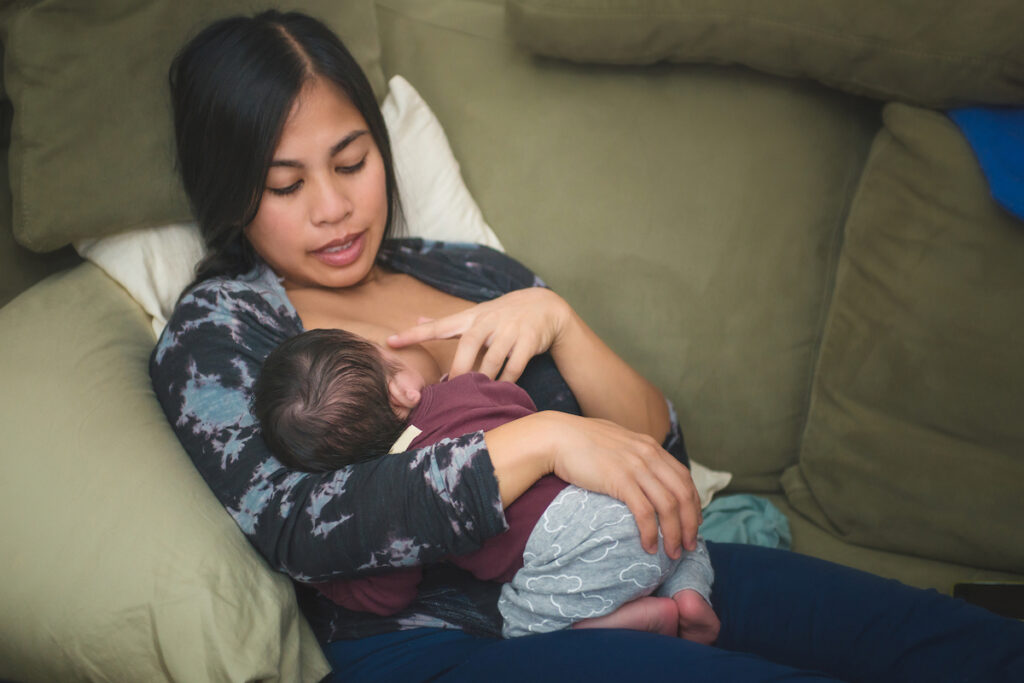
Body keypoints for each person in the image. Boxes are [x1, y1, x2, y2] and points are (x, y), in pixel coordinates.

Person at [150, 9, 1024, 682]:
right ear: (231, 193)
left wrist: (560, 319)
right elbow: (302, 526)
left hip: (649, 554)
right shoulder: (222, 329)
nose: (334, 208)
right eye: (285, 184)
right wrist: (538, 439)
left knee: (961, 646)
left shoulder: (469, 270)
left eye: (351, 161)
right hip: (455, 641)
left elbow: (653, 451)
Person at [252, 327, 719, 641]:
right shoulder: (468, 387)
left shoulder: (405, 489)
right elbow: (516, 402)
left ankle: (628, 622)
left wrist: (327, 585)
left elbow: (387, 593)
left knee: (513, 625)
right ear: (402, 389)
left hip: (575, 546)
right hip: (643, 499)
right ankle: (689, 592)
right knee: (683, 537)